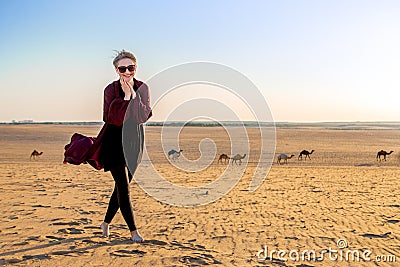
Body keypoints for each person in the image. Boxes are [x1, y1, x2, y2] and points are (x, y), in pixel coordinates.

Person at [99, 50, 152, 242]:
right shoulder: (110, 90)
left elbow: (144, 116)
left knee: (123, 186)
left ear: (136, 67)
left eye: (131, 67)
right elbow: (111, 118)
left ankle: (105, 223)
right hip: (113, 140)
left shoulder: (143, 87)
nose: (127, 72)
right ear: (116, 70)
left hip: (135, 140)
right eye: (123, 68)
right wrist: (127, 98)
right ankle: (133, 231)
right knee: (123, 187)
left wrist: (134, 94)